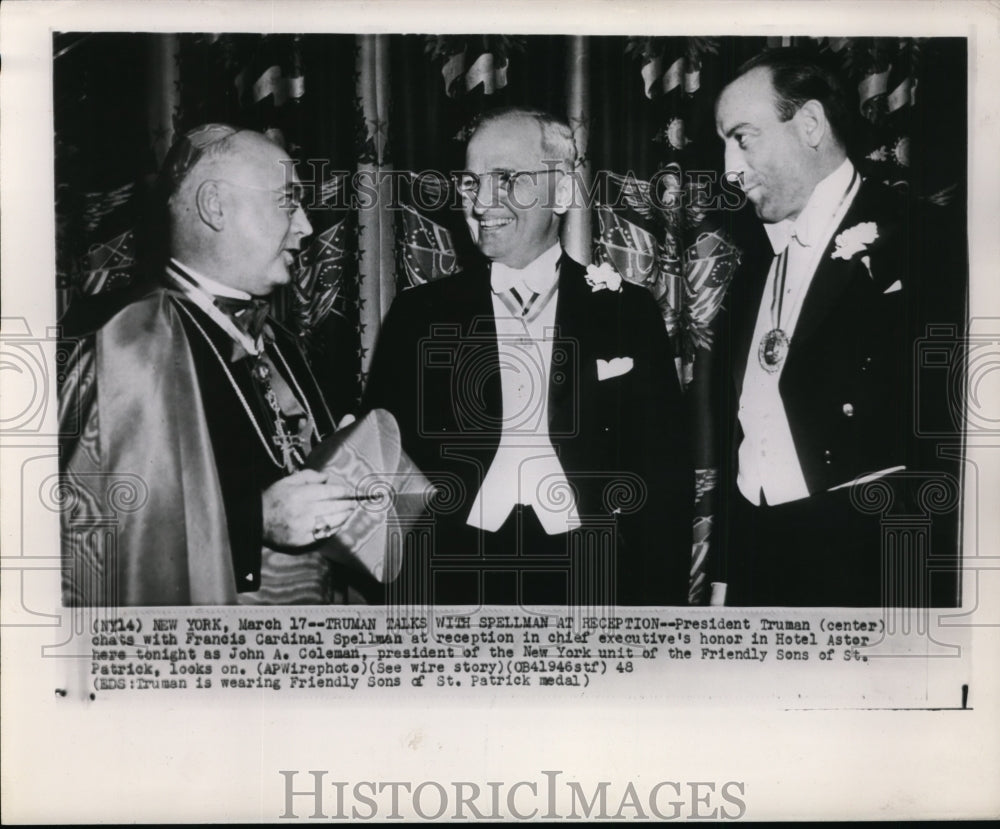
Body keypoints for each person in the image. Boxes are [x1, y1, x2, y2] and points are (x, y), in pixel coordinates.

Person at [365, 107, 692, 606]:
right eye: (472, 183)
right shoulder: (418, 316)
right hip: (451, 577)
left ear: (562, 191)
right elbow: (380, 470)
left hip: (593, 576)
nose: (482, 203)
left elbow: (664, 478)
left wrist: (661, 612)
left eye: (507, 179)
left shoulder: (628, 311)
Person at [60, 124, 369, 606]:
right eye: (288, 201)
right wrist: (254, 522)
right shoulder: (126, 336)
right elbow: (94, 535)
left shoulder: (279, 337)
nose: (307, 225)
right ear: (215, 206)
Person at [713, 49, 961, 606]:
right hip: (760, 564)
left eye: (743, 138)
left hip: (870, 565)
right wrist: (727, 575)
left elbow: (953, 442)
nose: (730, 168)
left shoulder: (925, 240)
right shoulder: (751, 269)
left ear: (810, 124)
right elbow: (743, 435)